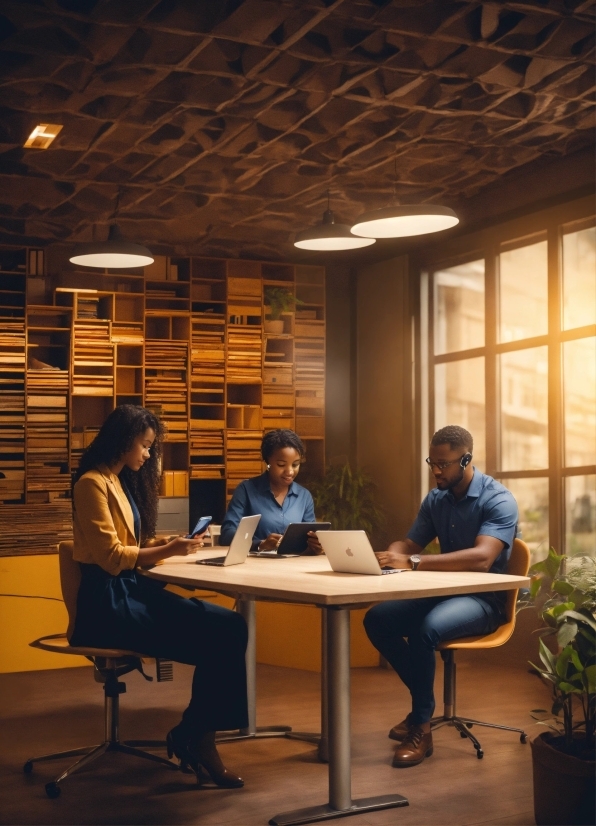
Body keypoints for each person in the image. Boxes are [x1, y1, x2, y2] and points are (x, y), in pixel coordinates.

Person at [70, 404, 248, 788]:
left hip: (129, 591)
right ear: (123, 441)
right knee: (218, 637)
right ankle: (199, 740)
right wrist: (169, 552)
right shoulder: (91, 483)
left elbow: (127, 545)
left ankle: (194, 733)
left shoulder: (116, 480)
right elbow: (113, 558)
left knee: (231, 624)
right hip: (107, 605)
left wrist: (164, 544)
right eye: (145, 445)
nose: (149, 454)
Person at [363, 425, 518, 769]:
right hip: (442, 593)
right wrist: (391, 556)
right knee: (377, 619)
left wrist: (413, 562)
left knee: (426, 630)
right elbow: (409, 544)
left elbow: (482, 558)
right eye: (431, 462)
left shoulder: (498, 499)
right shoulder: (436, 498)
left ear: (465, 459)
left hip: (486, 600)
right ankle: (424, 704)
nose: (435, 471)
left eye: (443, 464)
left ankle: (421, 726)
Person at [220, 428, 322, 554]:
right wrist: (260, 544)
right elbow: (226, 535)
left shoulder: (304, 496)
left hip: (294, 568)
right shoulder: (246, 490)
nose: (289, 471)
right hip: (255, 568)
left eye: (295, 465)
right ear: (267, 462)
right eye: (281, 465)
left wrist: (316, 545)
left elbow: (309, 538)